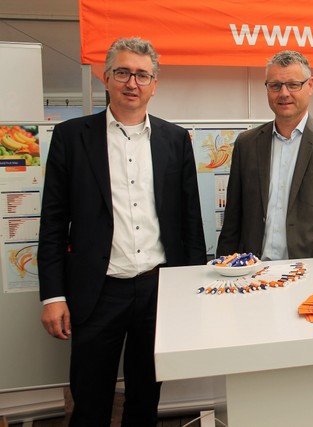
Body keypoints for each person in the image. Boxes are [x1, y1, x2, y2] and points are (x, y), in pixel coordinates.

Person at [38, 37, 207, 427]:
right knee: (90, 401)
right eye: (123, 73)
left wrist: (191, 290)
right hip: (97, 291)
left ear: (154, 84)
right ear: (106, 77)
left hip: (158, 290)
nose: (133, 83)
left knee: (146, 399)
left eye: (142, 75)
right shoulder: (71, 137)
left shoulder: (175, 139)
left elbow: (190, 221)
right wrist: (53, 295)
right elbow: (53, 222)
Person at [216, 50, 313, 261]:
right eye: (275, 85)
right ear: (267, 89)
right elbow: (232, 222)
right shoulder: (246, 144)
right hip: (254, 270)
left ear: (310, 86)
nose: (284, 93)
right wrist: (225, 267)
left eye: (293, 85)